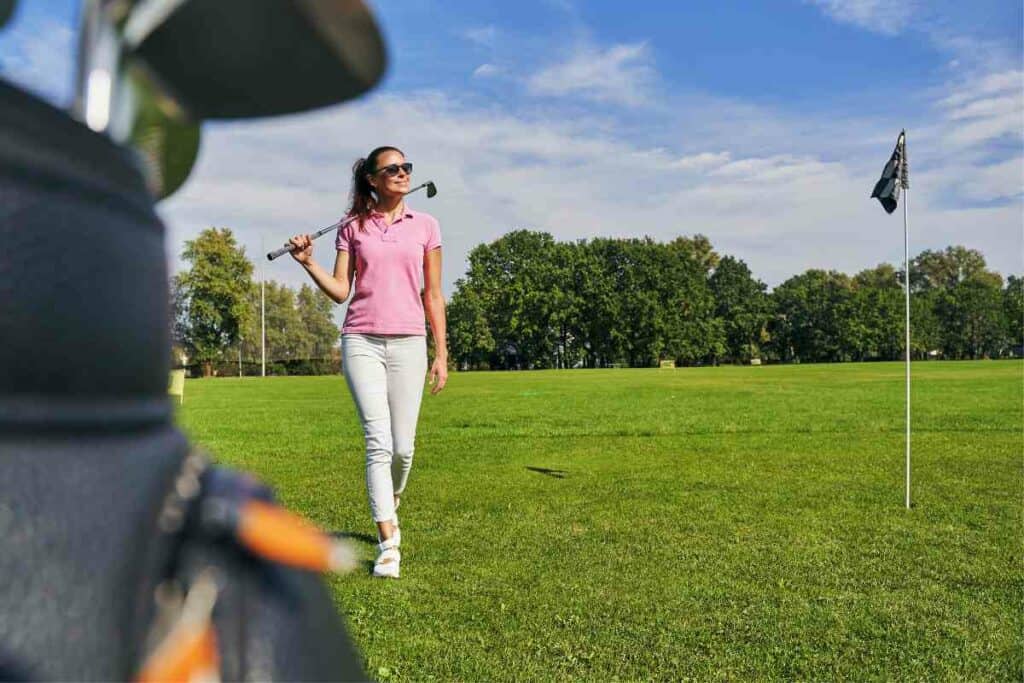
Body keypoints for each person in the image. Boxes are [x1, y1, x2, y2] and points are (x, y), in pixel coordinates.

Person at [289, 145, 448, 579]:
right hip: (361, 340)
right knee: (378, 442)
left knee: (403, 448)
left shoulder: (427, 226)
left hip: (410, 343)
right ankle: (388, 544)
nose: (402, 173)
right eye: (391, 168)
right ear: (373, 181)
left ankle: (391, 497)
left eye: (406, 167)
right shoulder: (352, 228)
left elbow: (433, 294)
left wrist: (442, 352)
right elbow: (341, 290)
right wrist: (308, 263)